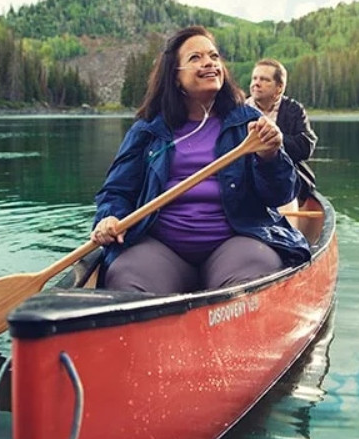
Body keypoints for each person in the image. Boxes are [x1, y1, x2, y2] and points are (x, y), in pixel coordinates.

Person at [91, 26, 311, 294]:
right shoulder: (147, 130)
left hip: (234, 241)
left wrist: (270, 156)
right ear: (175, 77)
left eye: (214, 56)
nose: (209, 62)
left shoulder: (249, 123)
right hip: (162, 247)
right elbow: (116, 191)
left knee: (254, 277)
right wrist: (109, 217)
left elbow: (280, 194)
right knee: (125, 276)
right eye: (195, 58)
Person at [247, 59, 317, 203]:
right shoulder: (239, 110)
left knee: (285, 193)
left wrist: (273, 140)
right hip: (248, 180)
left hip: (285, 179)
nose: (256, 83)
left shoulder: (293, 110)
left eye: (264, 79)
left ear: (279, 87)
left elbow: (306, 146)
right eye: (254, 78)